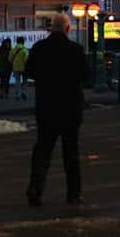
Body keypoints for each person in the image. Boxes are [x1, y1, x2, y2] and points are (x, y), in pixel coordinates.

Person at [24, 13, 89, 206]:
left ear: (51, 28)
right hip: (70, 108)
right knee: (71, 152)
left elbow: (29, 71)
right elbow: (87, 75)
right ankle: (73, 194)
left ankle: (35, 189)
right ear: (67, 29)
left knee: (42, 150)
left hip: (46, 106)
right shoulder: (76, 50)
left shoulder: (39, 48)